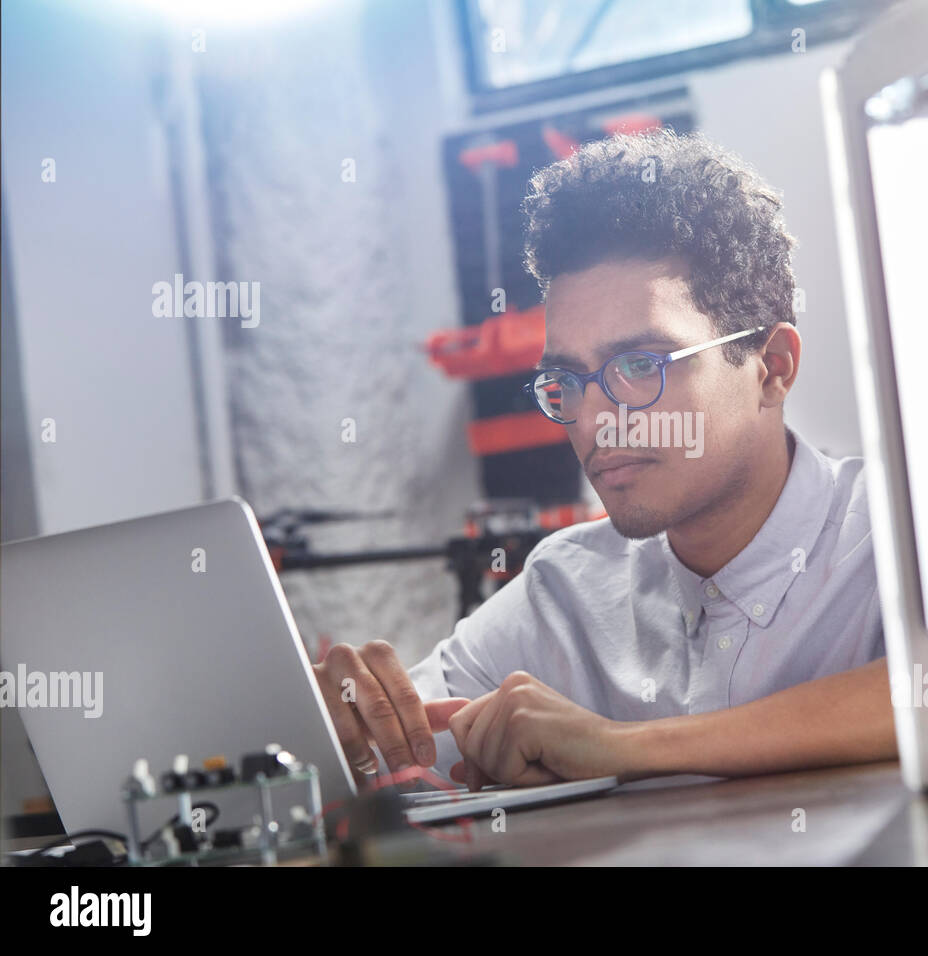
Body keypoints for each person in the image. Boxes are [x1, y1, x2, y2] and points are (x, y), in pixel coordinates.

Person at [313, 129, 896, 790]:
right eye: (566, 380)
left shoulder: (901, 539)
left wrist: (623, 748)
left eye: (640, 366)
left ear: (772, 368)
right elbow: (384, 754)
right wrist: (336, 723)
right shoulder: (565, 594)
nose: (593, 421)